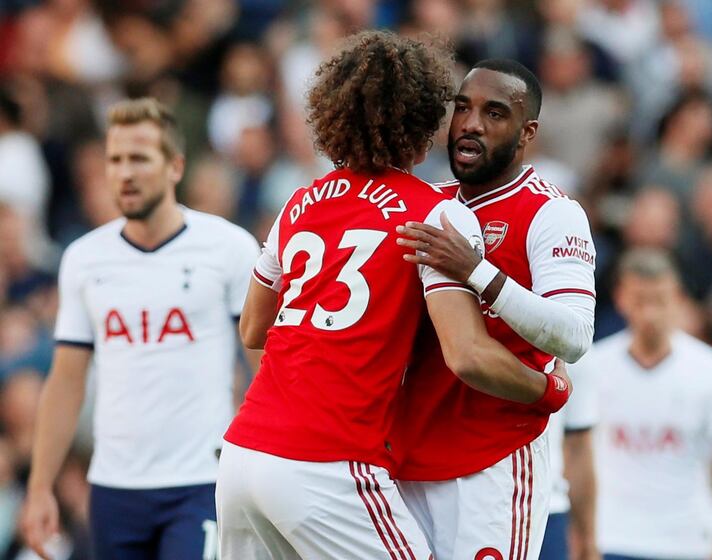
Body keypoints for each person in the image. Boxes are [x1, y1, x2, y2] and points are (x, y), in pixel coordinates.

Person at [216, 32, 570, 560]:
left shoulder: (300, 201)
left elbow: (252, 328)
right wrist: (548, 391)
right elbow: (467, 355)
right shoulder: (437, 214)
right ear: (423, 120)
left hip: (243, 454)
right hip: (332, 462)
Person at [21, 98, 260, 560]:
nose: (124, 173)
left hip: (201, 480)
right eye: (114, 160)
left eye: (139, 158)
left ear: (174, 167)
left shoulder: (227, 247)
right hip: (114, 487)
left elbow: (263, 359)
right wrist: (40, 486)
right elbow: (66, 382)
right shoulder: (84, 260)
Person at [393, 59, 596, 560]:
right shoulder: (424, 205)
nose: (471, 124)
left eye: (495, 113)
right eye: (462, 108)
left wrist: (476, 272)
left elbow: (574, 335)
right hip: (405, 459)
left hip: (494, 463)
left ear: (527, 132)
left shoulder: (551, 212)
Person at [591, 249, 712, 560]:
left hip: (688, 540)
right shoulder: (595, 367)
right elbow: (574, 454)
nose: (650, 313)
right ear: (622, 298)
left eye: (660, 300)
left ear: (678, 299)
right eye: (640, 301)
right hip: (612, 537)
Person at [540, 358, 600, 560]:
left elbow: (578, 447)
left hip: (547, 508)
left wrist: (588, 540)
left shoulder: (576, 339)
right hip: (467, 501)